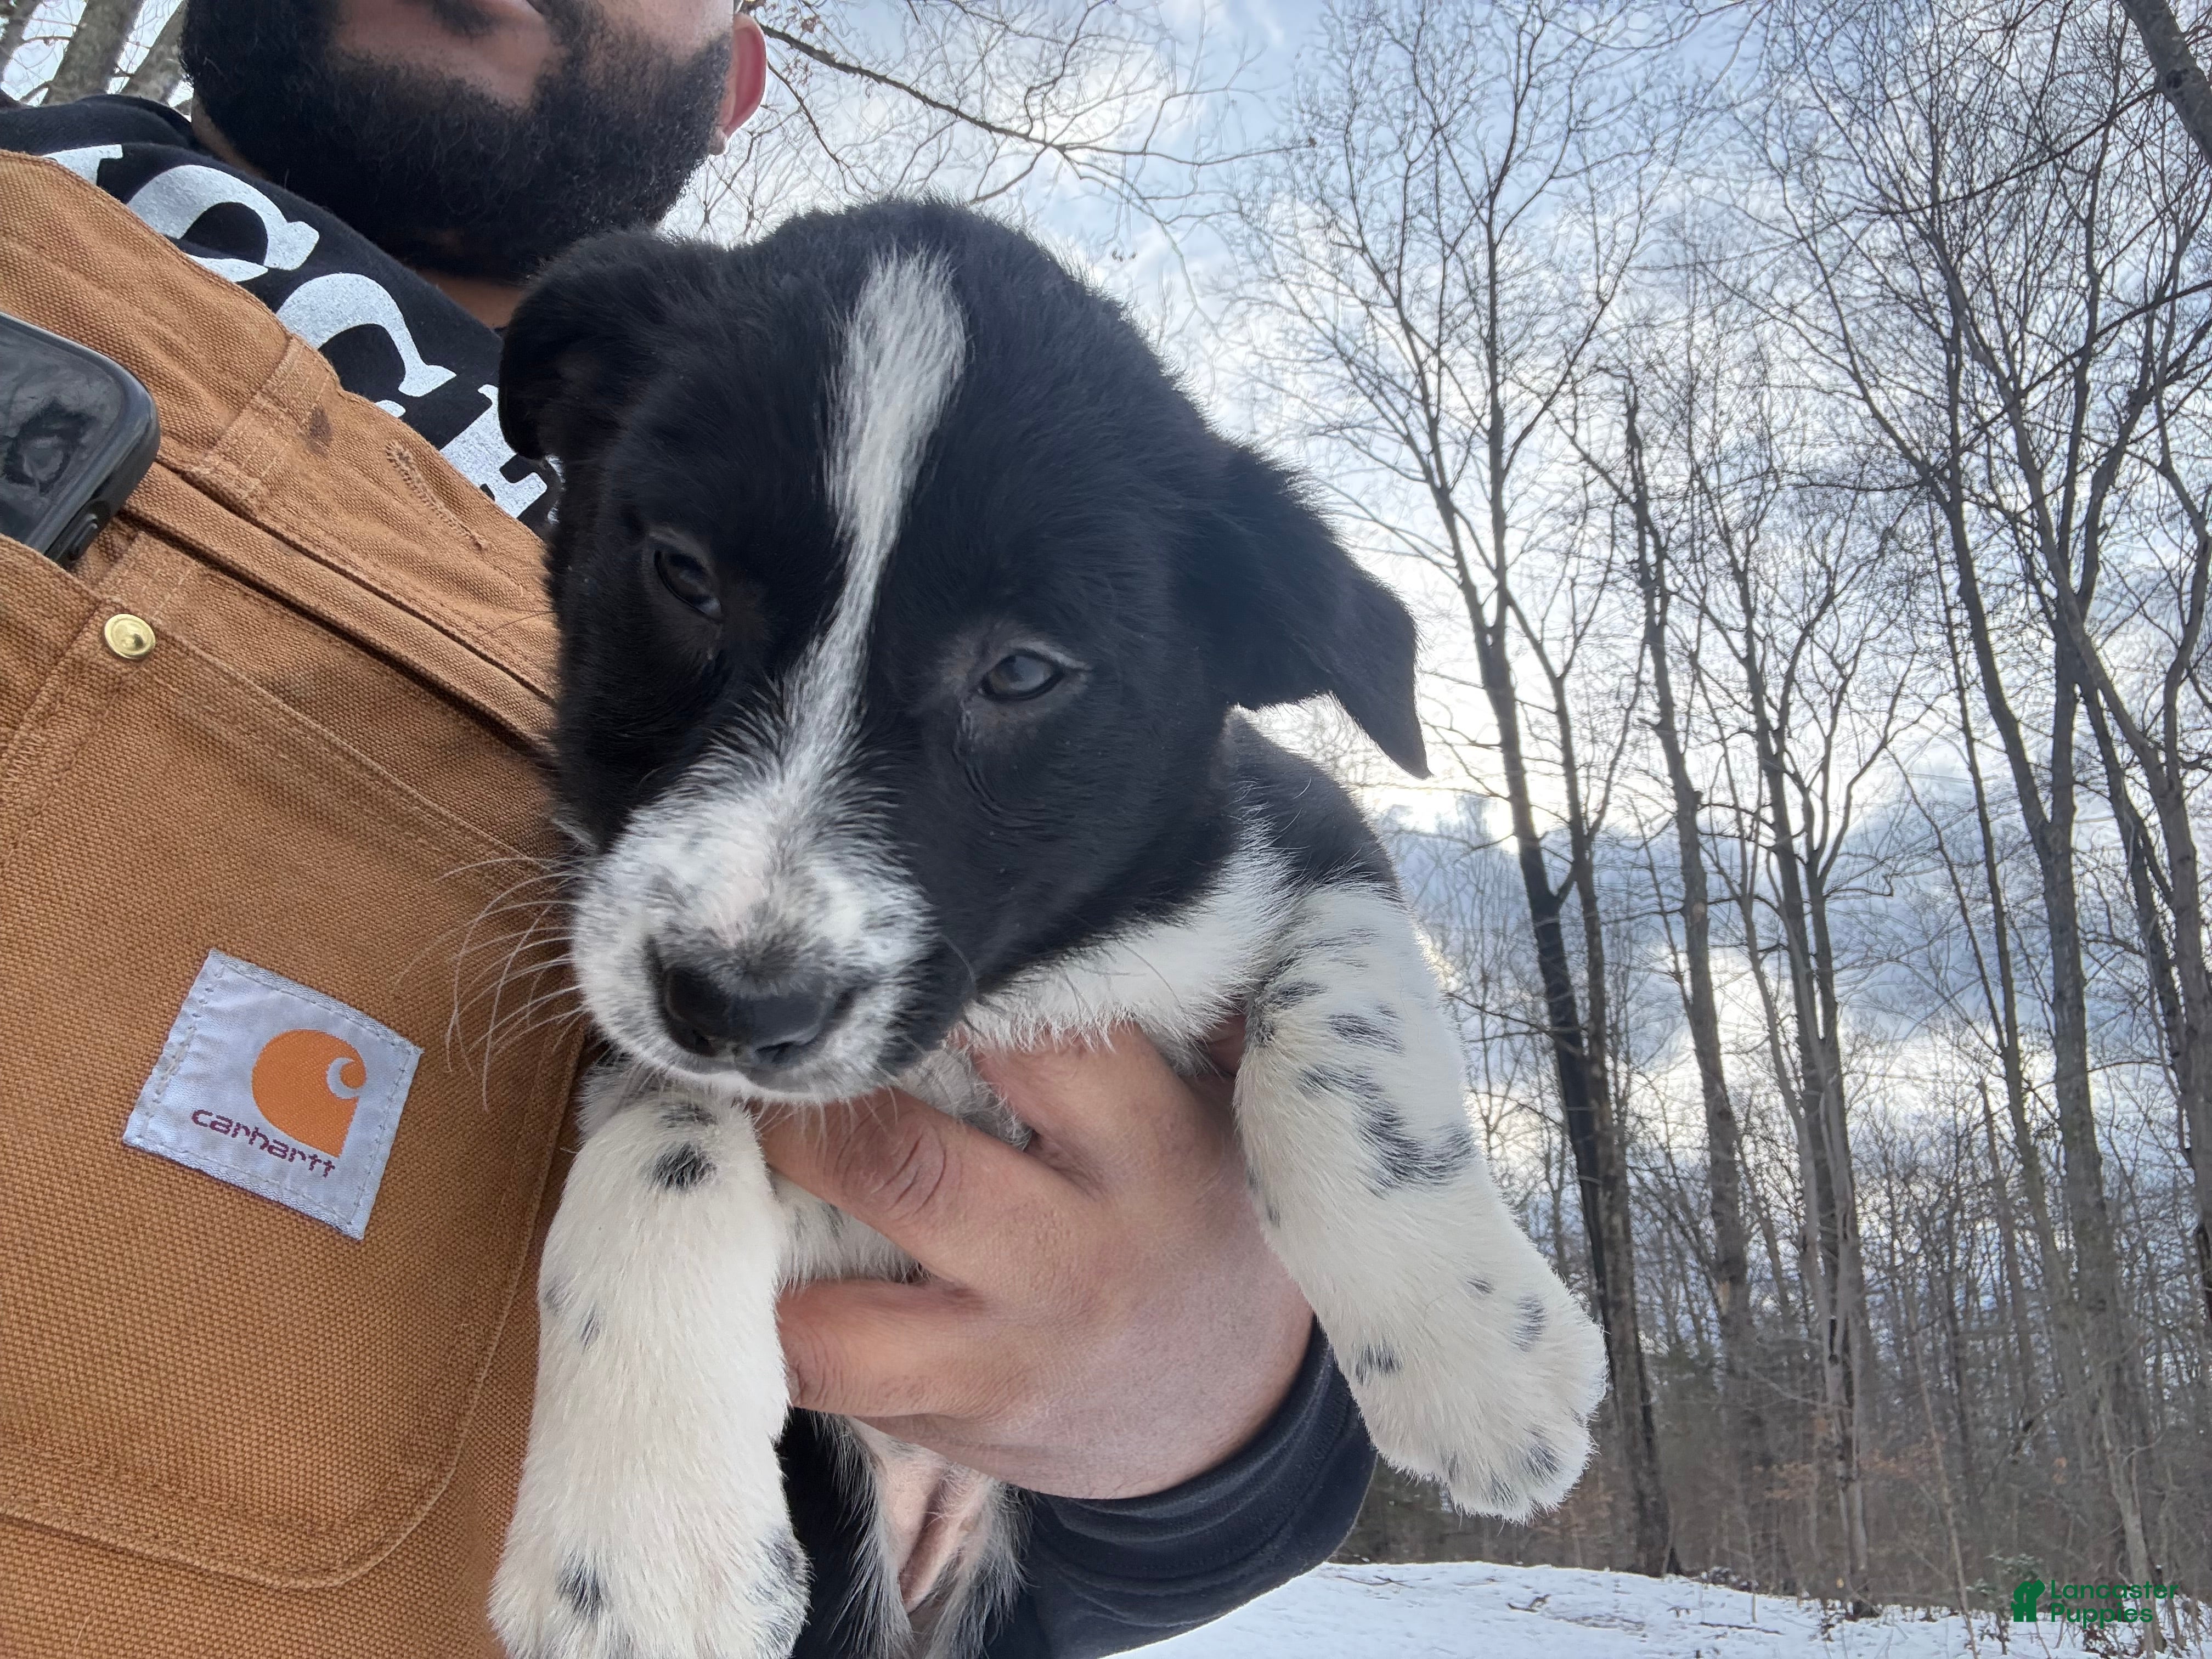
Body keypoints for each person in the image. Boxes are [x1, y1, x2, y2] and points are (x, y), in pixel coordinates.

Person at [0, 4, 1375, 1656]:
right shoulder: (40, 221)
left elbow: (996, 1588)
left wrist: (1220, 1420)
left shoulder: (988, 472)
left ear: (734, 76)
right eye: (686, 584)